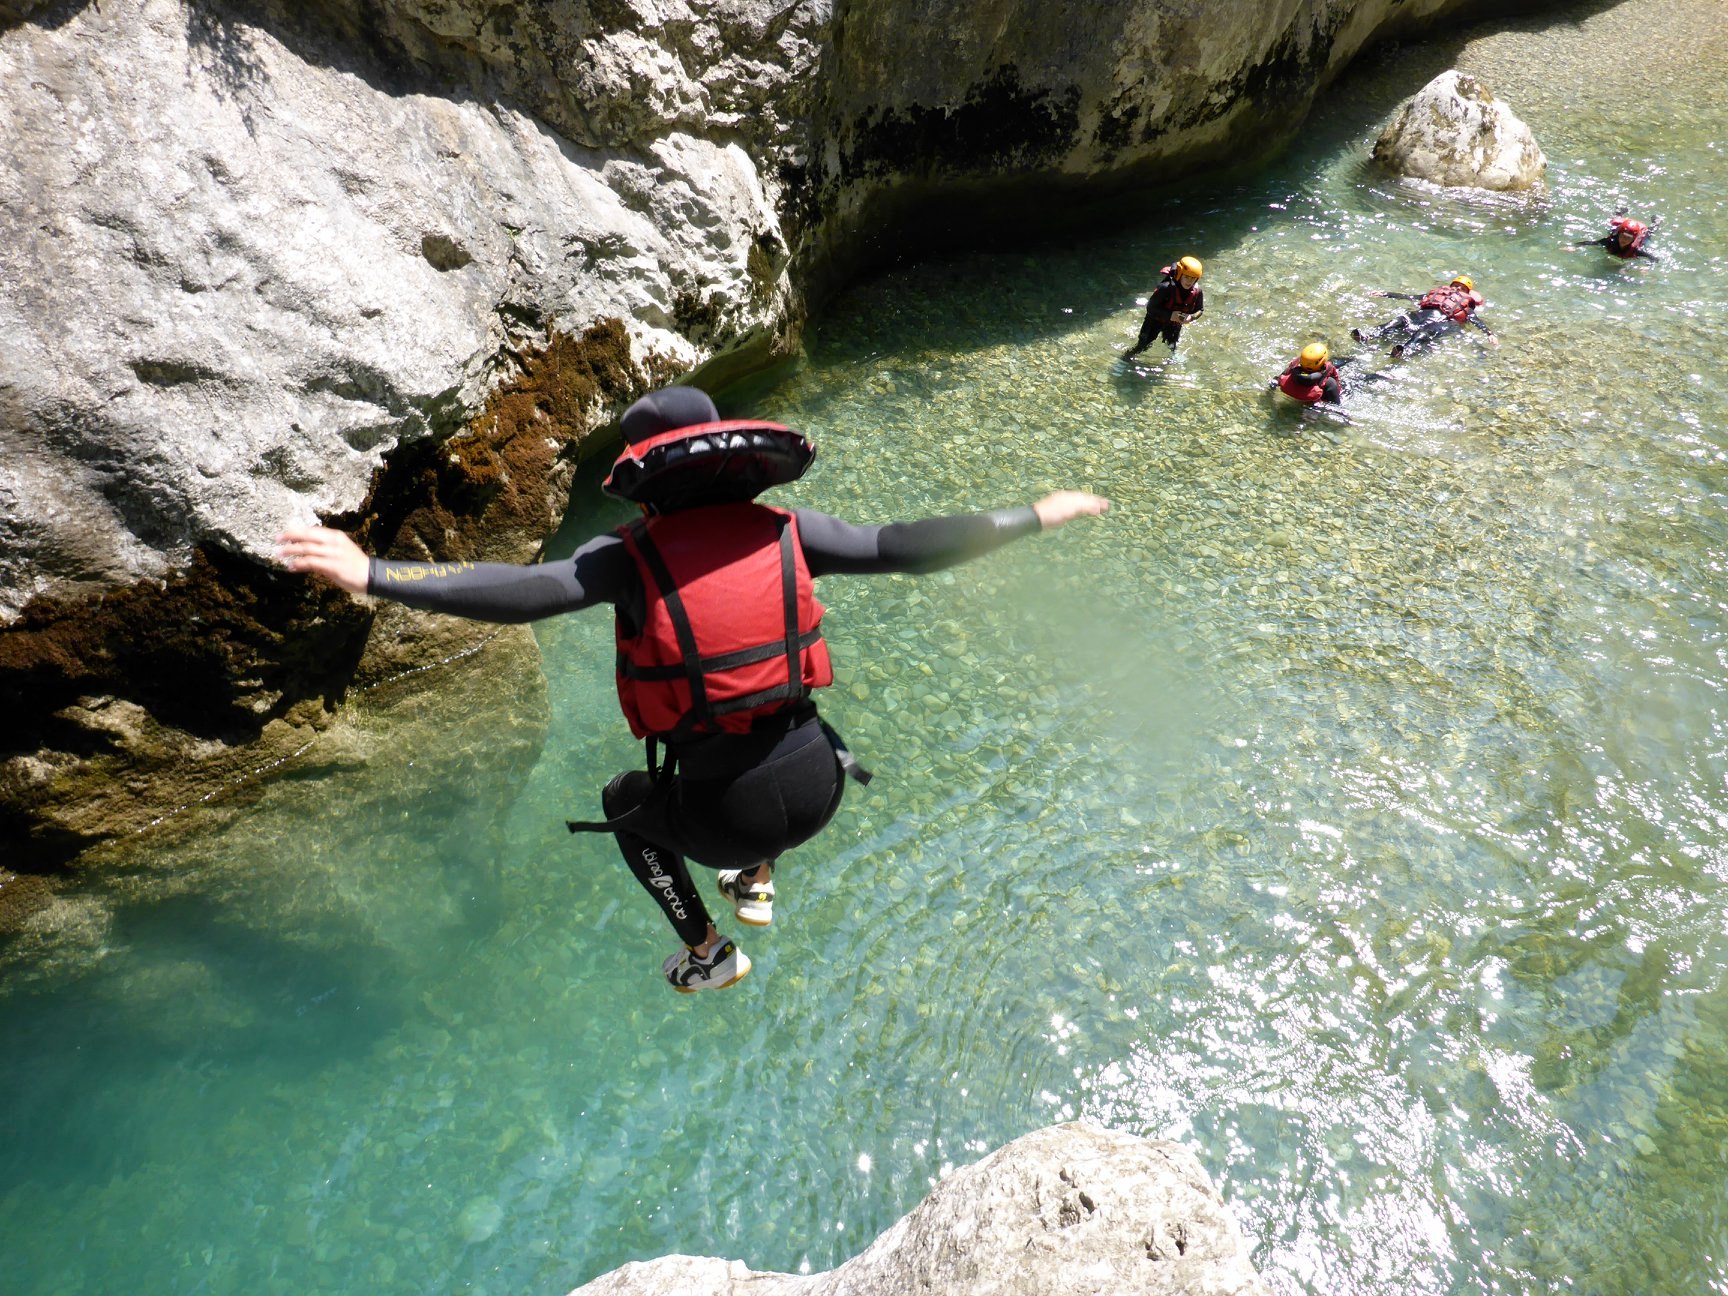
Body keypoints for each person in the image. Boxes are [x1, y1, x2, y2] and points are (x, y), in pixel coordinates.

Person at [276, 386, 1110, 993]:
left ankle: (709, 950)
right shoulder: (788, 529)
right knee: (767, 712)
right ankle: (756, 878)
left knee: (624, 800)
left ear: (646, 474)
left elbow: (518, 590)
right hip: (821, 785)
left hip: (728, 816)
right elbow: (904, 543)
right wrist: (1030, 515)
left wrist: (375, 574)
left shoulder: (626, 558)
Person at [1350, 274, 1497, 359]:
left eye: (1462, 287)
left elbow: (1476, 321)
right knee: (1399, 320)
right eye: (1456, 285)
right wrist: (1386, 294)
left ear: (1467, 292)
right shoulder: (1436, 295)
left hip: (1441, 322)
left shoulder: (1466, 306)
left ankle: (1404, 350)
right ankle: (1369, 336)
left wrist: (1489, 333)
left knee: (1422, 334)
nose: (1457, 288)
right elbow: (1409, 297)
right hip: (1422, 315)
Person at [1123, 256, 1205, 358]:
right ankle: (1126, 359)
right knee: (1143, 346)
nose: (1189, 281)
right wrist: (1171, 315)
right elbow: (1150, 308)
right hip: (1154, 321)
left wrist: (1191, 317)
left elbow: (1200, 310)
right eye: (1186, 277)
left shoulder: (1198, 291)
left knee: (1172, 346)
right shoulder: (1166, 288)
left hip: (1174, 324)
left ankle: (1173, 361)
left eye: (1193, 278)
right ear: (1179, 275)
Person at [1270, 342, 1348, 406]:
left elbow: (1276, 380)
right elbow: (1336, 405)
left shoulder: (1293, 368)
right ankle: (1351, 357)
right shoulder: (1329, 383)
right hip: (1314, 406)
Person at [1573, 212, 1660, 260]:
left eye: (1628, 238)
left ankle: (1656, 222)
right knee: (1612, 226)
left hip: (1641, 234)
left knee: (1650, 233)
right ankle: (1619, 213)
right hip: (1619, 230)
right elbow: (1591, 243)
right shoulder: (1609, 242)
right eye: (1623, 236)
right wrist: (1575, 246)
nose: (1624, 239)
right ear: (1618, 234)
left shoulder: (1636, 250)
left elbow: (1653, 258)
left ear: (1633, 239)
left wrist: (1646, 267)